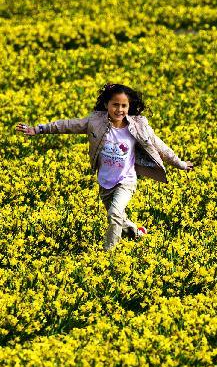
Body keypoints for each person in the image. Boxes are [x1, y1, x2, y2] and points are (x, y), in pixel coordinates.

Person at [15, 83, 196, 250]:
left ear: (129, 107)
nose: (119, 110)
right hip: (105, 182)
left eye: (124, 106)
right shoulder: (95, 122)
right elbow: (67, 125)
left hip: (126, 181)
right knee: (117, 217)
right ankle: (136, 231)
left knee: (115, 214)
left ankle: (109, 252)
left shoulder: (138, 126)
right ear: (107, 105)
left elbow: (159, 146)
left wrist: (180, 163)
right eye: (115, 105)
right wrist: (39, 129)